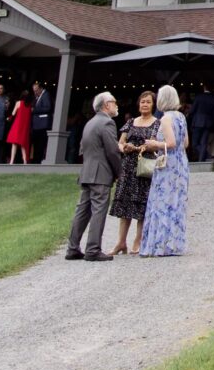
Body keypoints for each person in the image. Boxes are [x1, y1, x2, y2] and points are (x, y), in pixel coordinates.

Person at [66, 92, 125, 261]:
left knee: (82, 211)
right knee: (98, 210)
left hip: (87, 171)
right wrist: (119, 172)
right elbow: (112, 151)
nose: (116, 105)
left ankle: (72, 248)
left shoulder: (90, 123)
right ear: (106, 105)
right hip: (101, 173)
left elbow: (82, 148)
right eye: (114, 102)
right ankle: (92, 249)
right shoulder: (107, 122)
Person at [139, 85, 191, 257]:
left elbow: (171, 143)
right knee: (175, 201)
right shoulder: (181, 116)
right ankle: (174, 243)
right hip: (181, 163)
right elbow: (185, 143)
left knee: (162, 201)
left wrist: (154, 144)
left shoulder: (166, 119)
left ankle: (159, 244)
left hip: (167, 164)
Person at [108, 89, 160, 256]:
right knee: (125, 205)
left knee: (141, 205)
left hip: (144, 166)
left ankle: (138, 240)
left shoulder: (157, 123)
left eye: (148, 102)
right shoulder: (130, 122)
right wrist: (125, 147)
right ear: (139, 104)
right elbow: (120, 143)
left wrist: (138, 148)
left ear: (153, 105)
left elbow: (155, 144)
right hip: (128, 166)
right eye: (142, 101)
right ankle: (121, 242)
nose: (144, 104)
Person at [6, 89, 33, 164]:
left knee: (14, 143)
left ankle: (11, 161)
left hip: (17, 125)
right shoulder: (30, 106)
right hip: (25, 127)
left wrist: (8, 118)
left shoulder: (19, 103)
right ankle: (24, 161)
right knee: (23, 144)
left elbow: (13, 113)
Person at [30, 82, 53, 157]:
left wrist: (34, 110)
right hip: (37, 125)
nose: (35, 92)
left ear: (41, 88)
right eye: (34, 90)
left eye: (36, 90)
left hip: (43, 124)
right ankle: (36, 159)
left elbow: (48, 107)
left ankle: (38, 160)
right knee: (36, 143)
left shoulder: (46, 95)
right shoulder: (38, 96)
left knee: (40, 144)